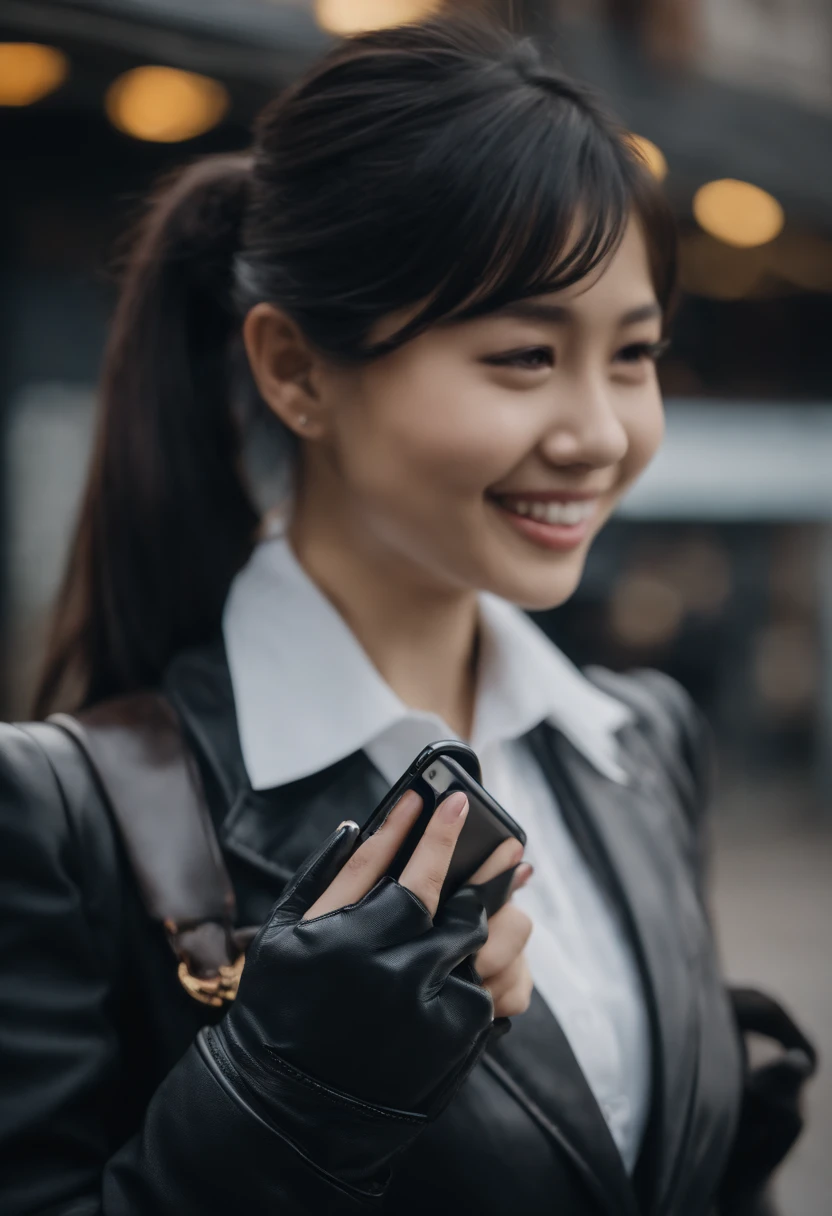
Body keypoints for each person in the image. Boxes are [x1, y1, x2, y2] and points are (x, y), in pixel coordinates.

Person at [0, 16, 814, 1216]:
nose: (597, 434)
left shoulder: (642, 740)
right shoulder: (63, 819)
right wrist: (297, 1087)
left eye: (633, 355)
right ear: (294, 371)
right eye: (525, 356)